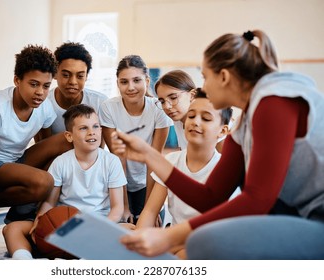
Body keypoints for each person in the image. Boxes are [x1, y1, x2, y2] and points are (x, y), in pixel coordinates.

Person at [110, 30, 324, 259]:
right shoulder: (245, 125)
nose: (203, 87)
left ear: (223, 77)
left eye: (205, 76)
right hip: (294, 216)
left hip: (314, 219)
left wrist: (169, 237)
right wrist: (148, 155)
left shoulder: (274, 101)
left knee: (205, 241)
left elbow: (258, 200)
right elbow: (210, 196)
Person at [2, 104, 126, 259]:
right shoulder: (61, 162)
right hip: (63, 223)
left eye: (96, 126)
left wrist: (98, 229)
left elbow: (117, 208)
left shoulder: (111, 162)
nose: (91, 132)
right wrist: (40, 221)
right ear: (69, 136)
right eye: (83, 128)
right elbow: (49, 203)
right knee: (12, 229)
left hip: (96, 222)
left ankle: (85, 259)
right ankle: (24, 261)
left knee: (132, 230)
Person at [0, 44, 72, 223]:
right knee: (43, 181)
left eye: (46, 86)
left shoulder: (44, 107)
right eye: (34, 84)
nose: (40, 92)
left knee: (67, 141)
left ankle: (26, 208)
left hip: (17, 160)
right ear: (17, 80)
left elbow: (47, 146)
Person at [135, 89, 232, 258]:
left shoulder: (225, 169)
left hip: (203, 242)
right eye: (192, 116)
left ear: (222, 131)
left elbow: (216, 229)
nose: (195, 122)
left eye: (206, 118)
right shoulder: (172, 160)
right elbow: (150, 211)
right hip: (173, 237)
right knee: (124, 231)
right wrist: (138, 239)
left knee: (184, 254)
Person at [99, 55, 173, 224]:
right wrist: (124, 206)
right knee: (122, 224)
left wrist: (149, 210)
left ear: (147, 81)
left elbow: (154, 159)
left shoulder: (157, 109)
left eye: (136, 80)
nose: (131, 87)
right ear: (117, 83)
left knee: (150, 223)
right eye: (124, 82)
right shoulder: (108, 108)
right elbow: (119, 159)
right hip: (116, 182)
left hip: (147, 183)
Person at [36, 42, 108, 141]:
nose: (73, 82)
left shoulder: (100, 103)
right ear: (55, 74)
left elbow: (99, 150)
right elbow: (42, 147)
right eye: (66, 75)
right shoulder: (42, 103)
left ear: (86, 76)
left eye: (80, 76)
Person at [154, 70, 196, 151]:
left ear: (192, 95)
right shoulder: (178, 120)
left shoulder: (209, 122)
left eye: (173, 98)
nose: (167, 106)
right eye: (162, 102)